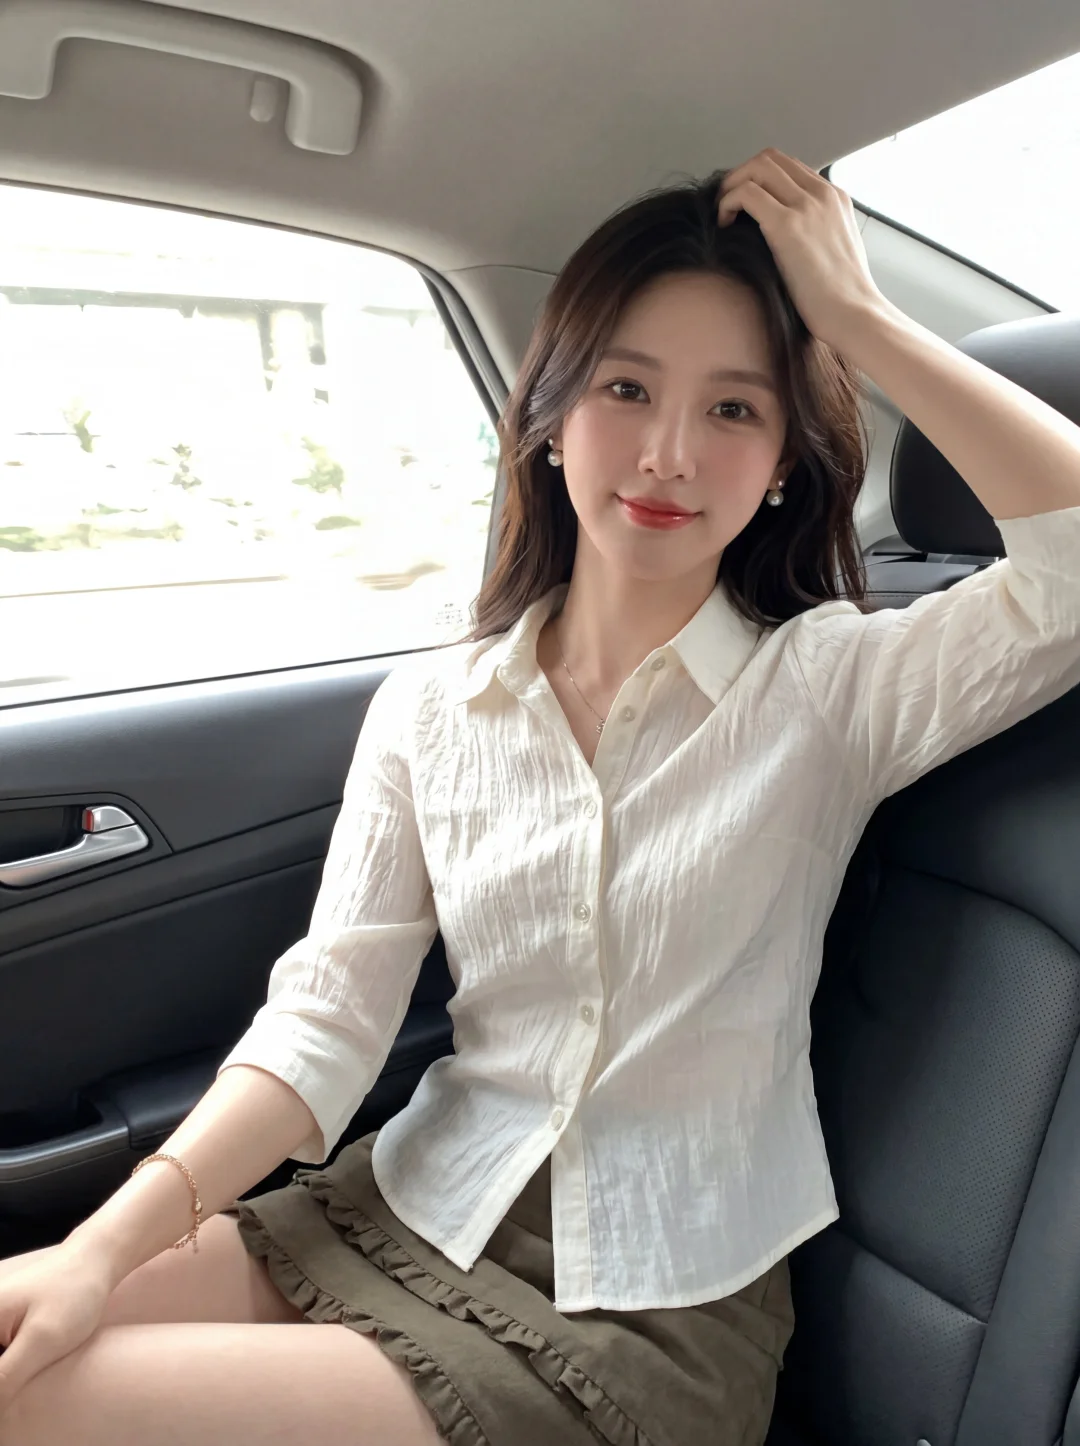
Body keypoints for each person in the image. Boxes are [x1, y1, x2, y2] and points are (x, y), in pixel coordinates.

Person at [2, 149, 1080, 1446]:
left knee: (33, 1405)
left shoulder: (830, 685)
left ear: (784, 461)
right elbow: (326, 1022)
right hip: (407, 1203)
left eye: (734, 409)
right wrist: (97, 1247)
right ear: (553, 416)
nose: (669, 452)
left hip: (649, 1306)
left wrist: (855, 317)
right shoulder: (433, 707)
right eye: (627, 388)